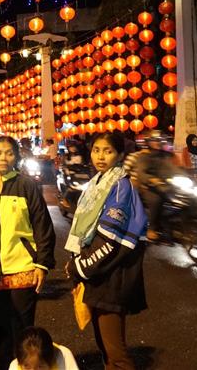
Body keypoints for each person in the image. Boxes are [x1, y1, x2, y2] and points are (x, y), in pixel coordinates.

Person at [0, 136, 56, 370]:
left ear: (16, 157)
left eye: (8, 153)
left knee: (22, 333)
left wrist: (42, 264)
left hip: (22, 270)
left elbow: (42, 225)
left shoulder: (26, 186)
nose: (3, 158)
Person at [66, 132, 147, 370]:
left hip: (111, 276)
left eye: (108, 151)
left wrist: (80, 265)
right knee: (105, 347)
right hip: (99, 274)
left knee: (116, 353)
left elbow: (111, 239)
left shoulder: (120, 187)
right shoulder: (97, 182)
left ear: (120, 155)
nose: (101, 156)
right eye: (96, 150)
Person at [125, 133, 177, 241]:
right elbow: (130, 172)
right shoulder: (137, 156)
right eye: (154, 141)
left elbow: (169, 169)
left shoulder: (160, 156)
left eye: (158, 141)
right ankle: (151, 228)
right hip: (141, 184)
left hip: (155, 183)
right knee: (155, 199)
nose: (157, 143)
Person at [10, 326, 79, 370]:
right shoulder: (14, 367)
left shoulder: (64, 357)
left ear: (51, 359)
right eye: (26, 366)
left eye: (40, 367)